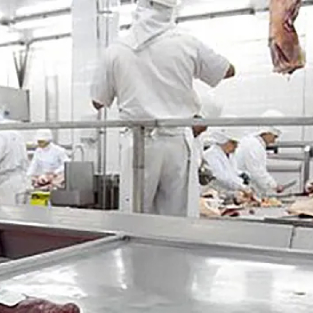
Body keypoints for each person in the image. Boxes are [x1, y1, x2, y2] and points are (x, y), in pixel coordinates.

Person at [91, 0, 235, 217]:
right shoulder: (186, 42)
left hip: (139, 141)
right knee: (177, 218)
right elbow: (228, 70)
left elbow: (97, 101)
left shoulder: (116, 50)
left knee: (135, 215)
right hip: (178, 141)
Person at [235, 110, 285, 198]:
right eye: (275, 137)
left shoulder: (255, 144)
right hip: (242, 189)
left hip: (246, 189)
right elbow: (257, 171)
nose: (274, 141)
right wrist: (274, 185)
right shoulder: (253, 145)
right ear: (267, 132)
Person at [204, 129, 251, 196]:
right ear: (223, 141)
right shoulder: (211, 155)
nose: (236, 146)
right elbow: (222, 177)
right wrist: (242, 187)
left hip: (228, 193)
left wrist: (241, 174)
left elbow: (232, 171)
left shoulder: (230, 155)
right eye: (233, 143)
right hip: (214, 193)